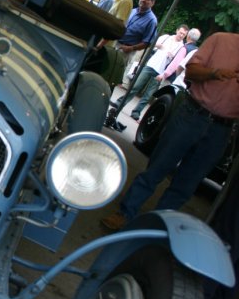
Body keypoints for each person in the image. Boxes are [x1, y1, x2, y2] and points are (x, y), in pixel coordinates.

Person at [101, 32, 239, 232]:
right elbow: (190, 72)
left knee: (186, 185)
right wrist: (214, 73)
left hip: (221, 129)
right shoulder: (221, 40)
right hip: (193, 113)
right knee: (158, 167)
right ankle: (124, 213)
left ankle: (154, 228)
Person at [105, 24, 188, 129]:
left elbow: (176, 62)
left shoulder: (181, 47)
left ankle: (136, 112)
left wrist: (167, 68)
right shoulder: (166, 37)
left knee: (148, 95)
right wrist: (158, 45)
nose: (181, 35)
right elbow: (152, 44)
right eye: (180, 32)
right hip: (151, 65)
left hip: (161, 71)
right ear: (177, 31)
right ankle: (120, 103)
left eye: (184, 34)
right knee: (135, 86)